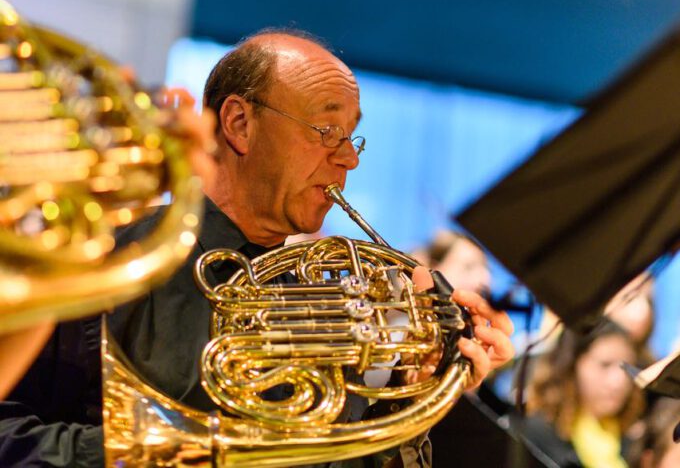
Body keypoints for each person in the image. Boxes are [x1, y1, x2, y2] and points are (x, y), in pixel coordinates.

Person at [0, 30, 514, 467]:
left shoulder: (331, 301)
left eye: (352, 138)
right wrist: (174, 454)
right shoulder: (102, 261)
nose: (347, 161)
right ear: (239, 123)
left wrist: (411, 397)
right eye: (326, 130)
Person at [517, 320, 645, 467]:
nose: (618, 382)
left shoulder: (632, 443)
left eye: (627, 369)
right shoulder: (537, 434)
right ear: (571, 365)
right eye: (605, 364)